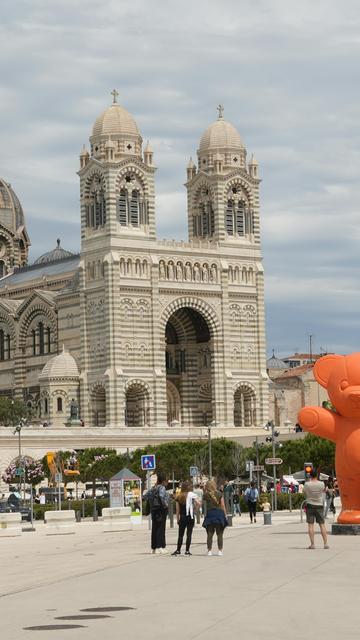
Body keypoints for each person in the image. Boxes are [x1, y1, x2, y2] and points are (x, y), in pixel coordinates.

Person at [172, 481, 200, 556]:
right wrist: (195, 511)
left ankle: (178, 550)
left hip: (183, 517)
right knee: (189, 534)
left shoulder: (179, 496)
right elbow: (199, 503)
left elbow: (177, 510)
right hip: (190, 517)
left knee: (180, 534)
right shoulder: (191, 495)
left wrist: (177, 519)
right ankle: (187, 551)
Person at [303, 468, 329, 549]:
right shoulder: (321, 484)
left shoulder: (307, 484)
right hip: (319, 505)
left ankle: (312, 544)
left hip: (310, 505)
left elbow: (305, 492)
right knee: (322, 524)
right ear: (317, 475)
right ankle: (325, 544)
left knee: (311, 525)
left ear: (310, 475)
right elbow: (323, 491)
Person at [202, 479, 228, 556]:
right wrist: (225, 514)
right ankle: (220, 551)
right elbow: (223, 505)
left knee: (209, 534)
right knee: (219, 534)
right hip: (219, 514)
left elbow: (203, 501)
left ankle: (209, 551)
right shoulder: (220, 494)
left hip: (210, 514)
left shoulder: (206, 495)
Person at [146, 473, 169, 554]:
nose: (167, 483)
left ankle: (154, 548)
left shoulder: (153, 488)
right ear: (163, 481)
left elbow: (146, 495)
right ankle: (161, 546)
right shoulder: (162, 487)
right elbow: (161, 496)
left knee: (155, 528)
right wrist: (165, 504)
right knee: (161, 528)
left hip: (154, 510)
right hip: (161, 510)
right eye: (167, 481)